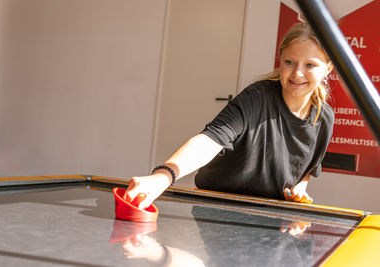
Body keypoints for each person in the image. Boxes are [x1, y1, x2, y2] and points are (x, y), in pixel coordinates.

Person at [125, 23, 334, 209]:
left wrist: (299, 187)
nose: (297, 73)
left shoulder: (325, 118)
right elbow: (209, 140)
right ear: (280, 60)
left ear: (328, 68)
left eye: (310, 65)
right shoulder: (256, 97)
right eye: (289, 62)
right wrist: (162, 177)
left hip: (270, 212)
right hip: (218, 205)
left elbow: (309, 167)